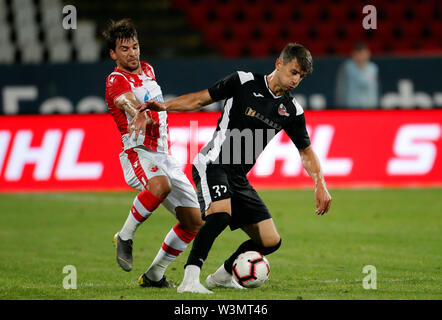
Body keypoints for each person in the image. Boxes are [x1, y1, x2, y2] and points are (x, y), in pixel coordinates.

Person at [141, 43, 333, 293]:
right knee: (220, 214)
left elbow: (305, 151)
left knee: (270, 240)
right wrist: (166, 106)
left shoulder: (291, 110)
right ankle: (189, 279)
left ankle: (221, 276)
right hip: (213, 163)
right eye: (293, 72)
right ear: (279, 64)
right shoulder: (243, 81)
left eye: (301, 76)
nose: (295, 80)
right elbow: (200, 98)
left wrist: (320, 183)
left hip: (238, 176)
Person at [103, 18, 203, 288]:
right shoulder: (115, 80)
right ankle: (125, 236)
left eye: (135, 46)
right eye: (124, 49)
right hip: (138, 153)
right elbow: (125, 99)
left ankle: (154, 275)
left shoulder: (148, 69)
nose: (132, 53)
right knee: (160, 185)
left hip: (164, 155)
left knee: (195, 222)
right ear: (113, 54)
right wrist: (139, 112)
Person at [335, 42, 379, 108]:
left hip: (370, 107)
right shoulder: (347, 68)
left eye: (364, 53)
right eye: (359, 53)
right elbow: (341, 89)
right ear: (354, 54)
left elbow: (376, 88)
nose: (362, 56)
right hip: (352, 108)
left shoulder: (373, 68)